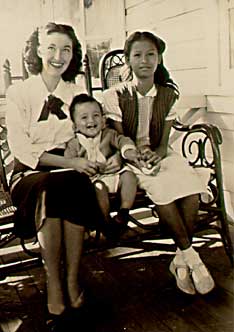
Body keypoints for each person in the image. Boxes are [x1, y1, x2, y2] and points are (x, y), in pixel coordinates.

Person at [5, 22, 102, 330]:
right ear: (37, 51)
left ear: (73, 55)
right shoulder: (18, 91)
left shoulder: (77, 93)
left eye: (66, 50)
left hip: (68, 171)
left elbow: (85, 135)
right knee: (53, 185)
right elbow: (21, 149)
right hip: (30, 174)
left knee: (68, 183)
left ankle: (71, 279)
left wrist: (79, 148)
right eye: (51, 48)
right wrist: (69, 162)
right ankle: (54, 281)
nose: (58, 56)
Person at [102, 31, 215, 295]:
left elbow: (164, 143)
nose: (145, 60)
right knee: (162, 189)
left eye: (151, 54)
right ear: (128, 61)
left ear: (159, 58)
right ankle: (193, 260)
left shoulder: (167, 95)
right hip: (129, 159)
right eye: (137, 55)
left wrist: (158, 154)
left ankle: (179, 261)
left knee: (190, 186)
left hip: (160, 154)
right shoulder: (115, 95)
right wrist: (136, 155)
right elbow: (120, 137)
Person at [65, 93, 140, 237]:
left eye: (96, 115)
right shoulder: (74, 144)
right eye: (84, 117)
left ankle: (123, 213)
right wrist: (82, 168)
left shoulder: (109, 134)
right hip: (93, 181)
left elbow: (123, 140)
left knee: (129, 176)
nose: (91, 120)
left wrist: (127, 150)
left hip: (114, 174)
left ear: (103, 120)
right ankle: (105, 222)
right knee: (99, 188)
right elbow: (69, 163)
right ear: (74, 126)